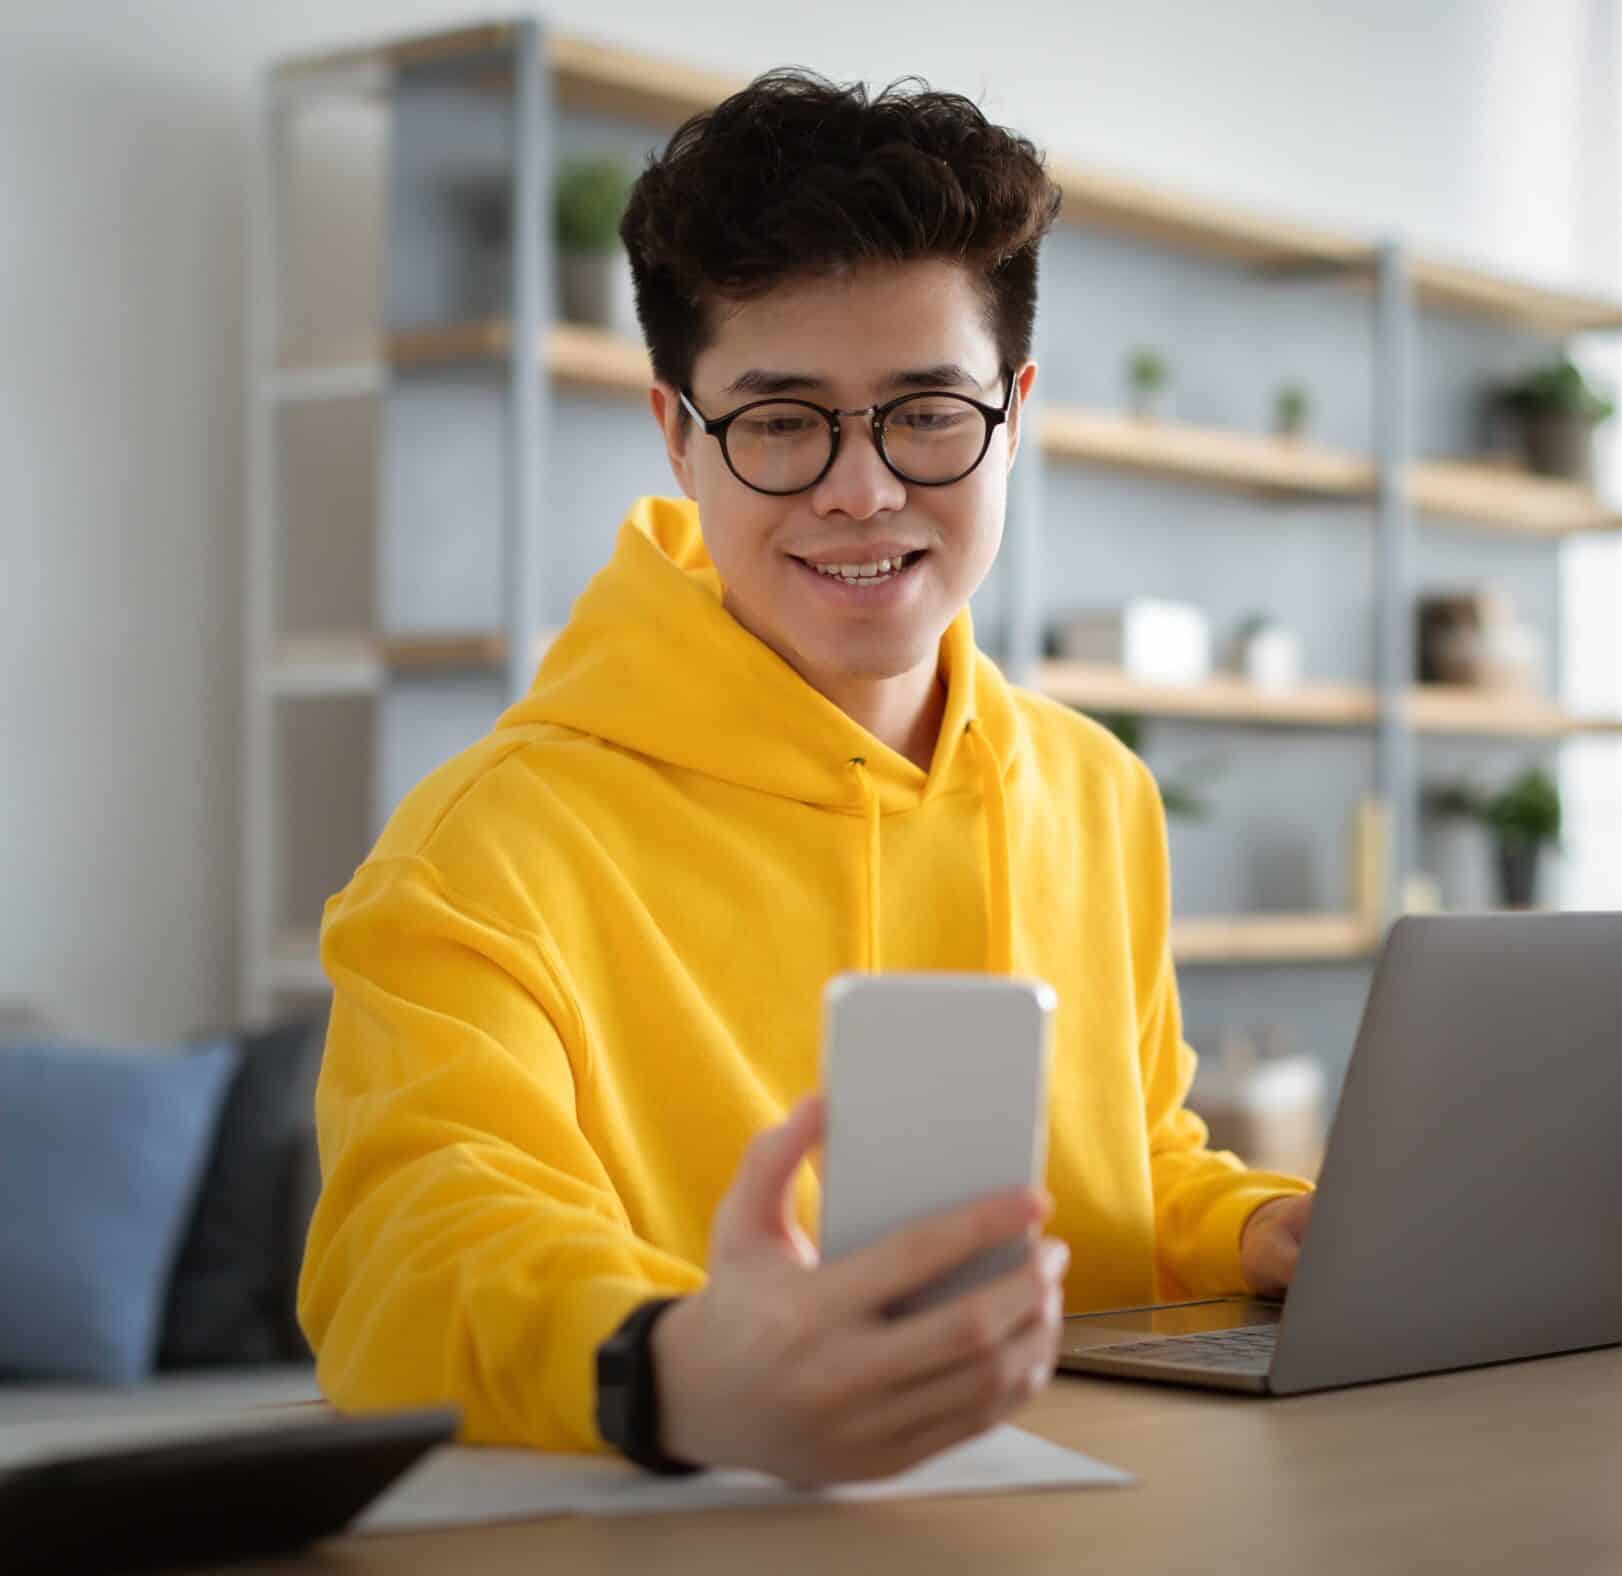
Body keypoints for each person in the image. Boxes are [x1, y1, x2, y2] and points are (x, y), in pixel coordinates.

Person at [296, 67, 1317, 1487]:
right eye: (780, 421)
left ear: (1013, 411)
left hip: (1098, 1518)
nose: (861, 489)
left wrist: (1261, 1228)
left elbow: (1132, 1161)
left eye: (927, 413)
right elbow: (411, 1245)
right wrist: (666, 1363)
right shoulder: (489, 842)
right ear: (675, 431)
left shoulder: (1094, 790)